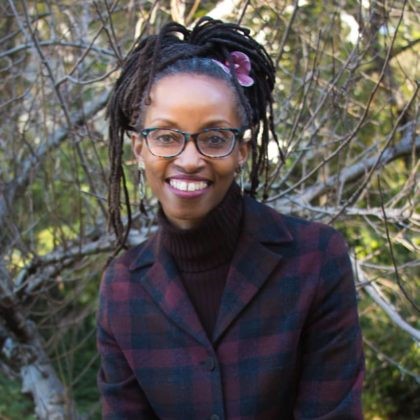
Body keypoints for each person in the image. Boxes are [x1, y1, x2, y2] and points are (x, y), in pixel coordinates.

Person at [97, 17, 364, 419]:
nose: (189, 160)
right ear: (138, 148)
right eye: (167, 136)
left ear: (242, 150)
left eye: (215, 138)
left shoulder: (316, 259)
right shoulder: (121, 289)